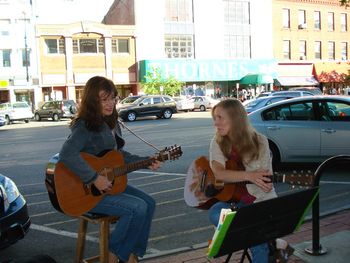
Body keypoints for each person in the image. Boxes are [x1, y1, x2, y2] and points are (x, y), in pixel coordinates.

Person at [58, 76, 161, 263]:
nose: (110, 103)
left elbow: (118, 156)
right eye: (103, 99)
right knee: (137, 208)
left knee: (149, 203)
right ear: (92, 101)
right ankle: (113, 256)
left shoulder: (111, 123)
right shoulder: (84, 126)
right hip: (87, 193)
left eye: (112, 98)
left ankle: (131, 253)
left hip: (108, 186)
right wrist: (93, 178)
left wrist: (146, 161)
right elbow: (67, 154)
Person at [208, 98, 277, 263]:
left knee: (256, 243)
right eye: (214, 118)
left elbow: (266, 184)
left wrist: (257, 178)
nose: (216, 123)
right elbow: (219, 173)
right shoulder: (217, 142)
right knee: (215, 212)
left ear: (235, 118)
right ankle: (268, 241)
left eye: (220, 118)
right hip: (236, 202)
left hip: (259, 201)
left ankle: (256, 240)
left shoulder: (260, 141)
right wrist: (249, 175)